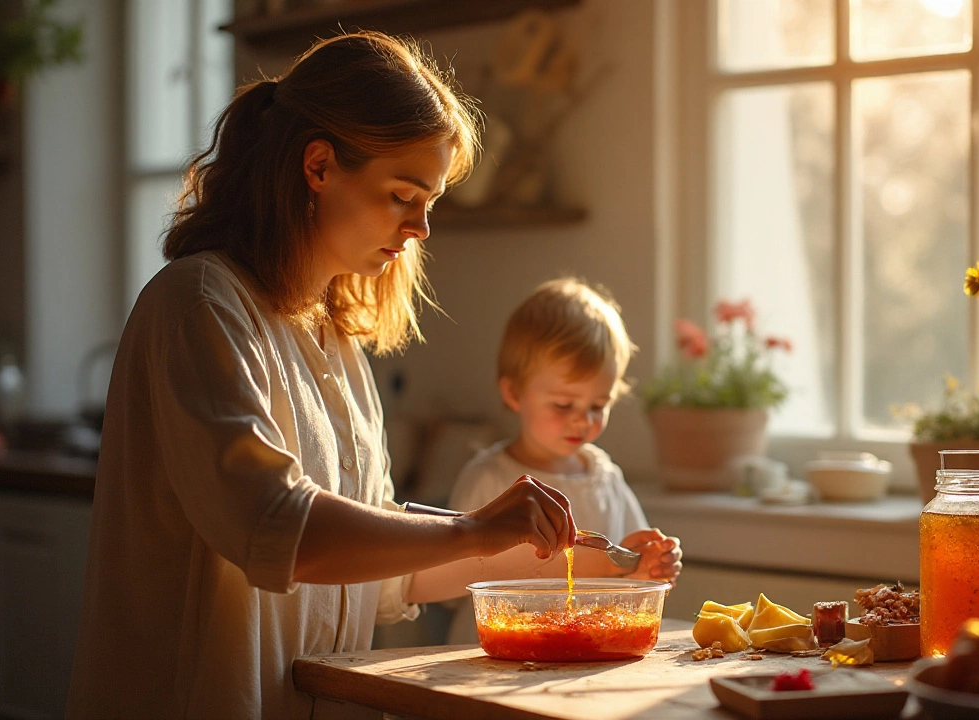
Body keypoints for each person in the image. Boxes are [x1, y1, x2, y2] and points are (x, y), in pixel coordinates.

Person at [65, 32, 676, 720]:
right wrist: (474, 531)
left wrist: (570, 554)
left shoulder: (336, 343)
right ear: (319, 165)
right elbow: (275, 525)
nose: (420, 227)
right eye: (402, 195)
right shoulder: (200, 305)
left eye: (430, 201)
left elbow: (390, 573)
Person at [435, 278, 682, 644]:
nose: (583, 420)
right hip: (492, 653)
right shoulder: (489, 478)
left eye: (598, 406)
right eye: (564, 405)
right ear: (515, 393)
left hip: (587, 648)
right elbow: (449, 581)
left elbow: (628, 571)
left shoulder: (605, 478)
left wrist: (647, 568)